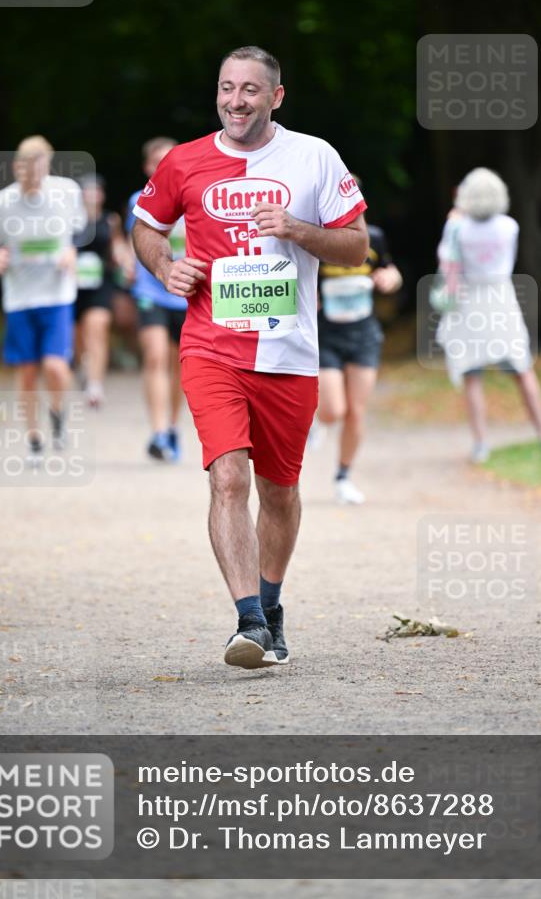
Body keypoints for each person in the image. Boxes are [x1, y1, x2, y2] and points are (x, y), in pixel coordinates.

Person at [131, 46, 368, 668]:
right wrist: (165, 266)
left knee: (281, 493)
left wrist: (297, 229)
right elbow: (146, 225)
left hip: (289, 354)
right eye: (226, 88)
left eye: (250, 90)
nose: (235, 101)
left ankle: (271, 601)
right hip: (211, 345)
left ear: (276, 97)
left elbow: (356, 247)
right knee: (228, 476)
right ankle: (249, 622)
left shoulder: (314, 157)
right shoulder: (185, 161)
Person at [435, 167, 541, 463]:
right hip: (501, 299)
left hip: (469, 302)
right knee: (522, 369)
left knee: (472, 375)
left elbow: (446, 264)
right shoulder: (509, 226)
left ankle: (481, 442)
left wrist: (454, 220)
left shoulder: (457, 228)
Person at [0, 135, 86, 461]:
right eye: (26, 171)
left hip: (57, 293)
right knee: (27, 371)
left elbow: (82, 230)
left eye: (38, 170)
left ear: (47, 166)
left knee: (55, 366)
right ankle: (33, 438)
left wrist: (72, 249)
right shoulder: (0, 202)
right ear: (16, 168)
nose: (32, 179)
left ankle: (57, 412)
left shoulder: (66, 192)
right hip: (19, 297)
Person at [315, 185, 403, 505]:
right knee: (333, 409)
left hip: (364, 332)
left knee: (356, 410)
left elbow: (389, 270)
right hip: (327, 334)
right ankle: (320, 421)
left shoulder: (374, 237)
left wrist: (391, 279)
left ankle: (343, 477)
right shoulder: (317, 241)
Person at [126, 138, 187, 462]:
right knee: (154, 356)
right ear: (148, 168)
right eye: (157, 161)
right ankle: (158, 431)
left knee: (180, 366)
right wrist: (126, 261)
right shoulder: (139, 200)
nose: (163, 166)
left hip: (187, 297)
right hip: (151, 293)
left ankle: (173, 425)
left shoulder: (195, 199)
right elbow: (132, 240)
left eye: (169, 160)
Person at [74, 174, 130, 407]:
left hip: (101, 282)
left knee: (98, 328)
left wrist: (123, 260)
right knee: (77, 337)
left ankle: (95, 386)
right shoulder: (67, 221)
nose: (93, 195)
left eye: (97, 191)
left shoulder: (110, 220)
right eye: (88, 191)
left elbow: (118, 245)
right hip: (71, 286)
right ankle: (82, 367)